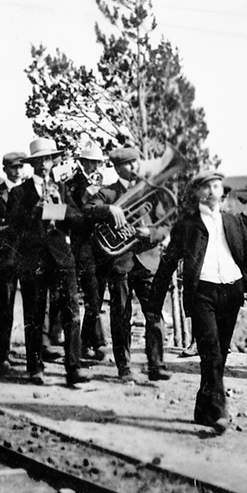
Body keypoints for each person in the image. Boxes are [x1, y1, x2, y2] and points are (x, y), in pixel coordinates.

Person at [144, 169, 247, 434]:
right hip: (202, 293)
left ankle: (202, 407)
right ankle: (219, 409)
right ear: (197, 193)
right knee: (211, 353)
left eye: (216, 186)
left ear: (222, 192)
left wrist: (245, 283)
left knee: (220, 356)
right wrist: (154, 303)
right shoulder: (187, 225)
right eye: (206, 187)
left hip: (231, 292)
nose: (211, 191)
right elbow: (169, 261)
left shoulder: (234, 222)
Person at [7, 138, 89, 387]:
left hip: (62, 258)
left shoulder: (63, 189)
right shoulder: (19, 192)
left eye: (48, 159)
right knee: (33, 315)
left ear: (53, 161)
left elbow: (79, 219)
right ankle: (35, 368)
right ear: (32, 164)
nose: (45, 164)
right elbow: (13, 226)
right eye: (40, 160)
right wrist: (36, 210)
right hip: (34, 259)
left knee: (71, 313)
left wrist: (59, 209)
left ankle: (73, 367)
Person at [87, 147, 172, 381]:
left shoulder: (151, 192)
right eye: (129, 164)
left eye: (136, 162)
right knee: (121, 315)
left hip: (147, 261)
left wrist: (150, 233)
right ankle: (124, 367)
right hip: (119, 262)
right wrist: (108, 209)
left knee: (154, 314)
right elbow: (87, 210)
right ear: (117, 167)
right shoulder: (108, 193)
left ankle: (156, 364)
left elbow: (164, 226)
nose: (135, 167)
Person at [0, 151, 26, 373]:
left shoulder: (31, 191)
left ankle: (33, 356)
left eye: (20, 167)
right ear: (5, 169)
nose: (17, 171)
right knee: (5, 307)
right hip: (5, 257)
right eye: (13, 168)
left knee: (34, 309)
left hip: (28, 256)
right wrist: (10, 227)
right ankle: (2, 354)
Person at [66, 144, 110, 364]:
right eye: (90, 162)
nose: (94, 166)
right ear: (81, 162)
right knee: (90, 297)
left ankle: (90, 341)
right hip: (81, 246)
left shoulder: (100, 181)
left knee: (96, 298)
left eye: (96, 162)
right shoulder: (72, 184)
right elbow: (74, 214)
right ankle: (89, 343)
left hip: (99, 247)